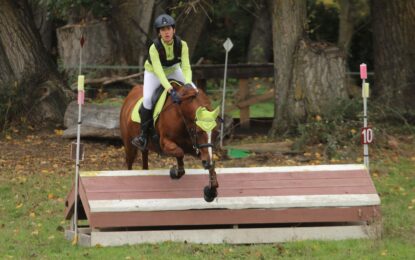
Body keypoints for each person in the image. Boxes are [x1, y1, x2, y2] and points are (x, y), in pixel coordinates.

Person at [131, 14, 196, 150]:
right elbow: (159, 72)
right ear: (159, 33)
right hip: (154, 73)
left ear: (174, 30)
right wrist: (170, 89)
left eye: (168, 29)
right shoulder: (154, 48)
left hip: (173, 69)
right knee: (148, 99)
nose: (166, 32)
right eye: (162, 30)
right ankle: (143, 136)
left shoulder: (182, 45)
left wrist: (188, 83)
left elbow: (186, 66)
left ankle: (200, 128)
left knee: (194, 91)